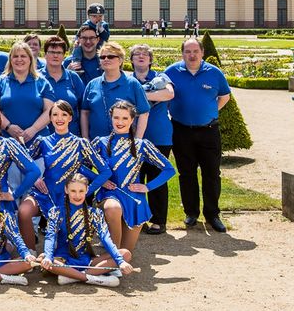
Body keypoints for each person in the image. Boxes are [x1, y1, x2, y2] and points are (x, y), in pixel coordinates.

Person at [18, 101, 111, 249]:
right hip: (45, 193)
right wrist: (35, 178)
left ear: (70, 118)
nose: (59, 118)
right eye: (55, 114)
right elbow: (24, 162)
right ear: (50, 118)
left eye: (64, 114)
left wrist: (87, 191)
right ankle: (30, 254)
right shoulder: (42, 141)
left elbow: (105, 171)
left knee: (65, 248)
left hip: (69, 197)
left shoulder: (81, 143)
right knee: (24, 211)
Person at [165, 38, 232, 232]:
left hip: (208, 131)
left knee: (212, 174)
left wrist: (210, 112)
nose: (191, 55)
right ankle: (191, 213)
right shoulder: (171, 72)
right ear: (182, 54)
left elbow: (224, 97)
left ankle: (212, 214)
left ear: (202, 52)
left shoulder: (214, 72)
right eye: (187, 51)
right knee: (186, 174)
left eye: (195, 51)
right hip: (181, 130)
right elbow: (162, 95)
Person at [95, 100, 176, 257]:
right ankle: (111, 261)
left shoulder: (142, 145)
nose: (120, 122)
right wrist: (100, 180)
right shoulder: (101, 142)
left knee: (126, 254)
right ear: (110, 118)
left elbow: (169, 169)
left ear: (132, 120)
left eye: (125, 118)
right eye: (116, 118)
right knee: (113, 209)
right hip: (109, 196)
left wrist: (148, 187)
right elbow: (80, 165)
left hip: (134, 200)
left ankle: (108, 265)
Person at [40, 173, 134, 287]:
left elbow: (105, 238)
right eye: (73, 191)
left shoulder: (95, 213)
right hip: (63, 260)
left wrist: (120, 261)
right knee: (44, 258)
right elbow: (50, 237)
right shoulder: (56, 212)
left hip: (87, 261)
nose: (77, 195)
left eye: (81, 191)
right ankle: (90, 278)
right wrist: (49, 257)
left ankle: (72, 277)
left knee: (126, 254)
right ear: (66, 190)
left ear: (87, 190)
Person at [129, 44, 176, 234]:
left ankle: (158, 220)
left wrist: (140, 96)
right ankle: (138, 219)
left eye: (145, 54)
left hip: (159, 136)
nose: (141, 57)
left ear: (150, 59)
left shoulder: (161, 76)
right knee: (134, 178)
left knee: (157, 179)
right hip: (133, 137)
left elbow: (169, 94)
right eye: (137, 54)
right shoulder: (128, 79)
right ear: (131, 59)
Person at [80, 42, 149, 140]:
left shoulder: (133, 84)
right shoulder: (92, 84)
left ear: (120, 60)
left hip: (125, 144)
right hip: (96, 144)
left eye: (111, 56)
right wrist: (85, 138)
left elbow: (144, 113)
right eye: (102, 57)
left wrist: (137, 141)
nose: (106, 59)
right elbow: (84, 112)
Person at [0, 41, 53, 141]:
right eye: (15, 56)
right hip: (7, 140)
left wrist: (33, 129)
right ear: (10, 60)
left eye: (23, 56)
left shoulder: (43, 83)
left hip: (39, 140)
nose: (19, 59)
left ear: (30, 59)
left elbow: (50, 111)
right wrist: (8, 127)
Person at [39, 35, 85, 137]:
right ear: (45, 55)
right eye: (51, 52)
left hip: (71, 137)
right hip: (44, 138)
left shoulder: (73, 78)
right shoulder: (36, 78)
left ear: (64, 56)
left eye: (59, 53)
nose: (55, 56)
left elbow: (83, 109)